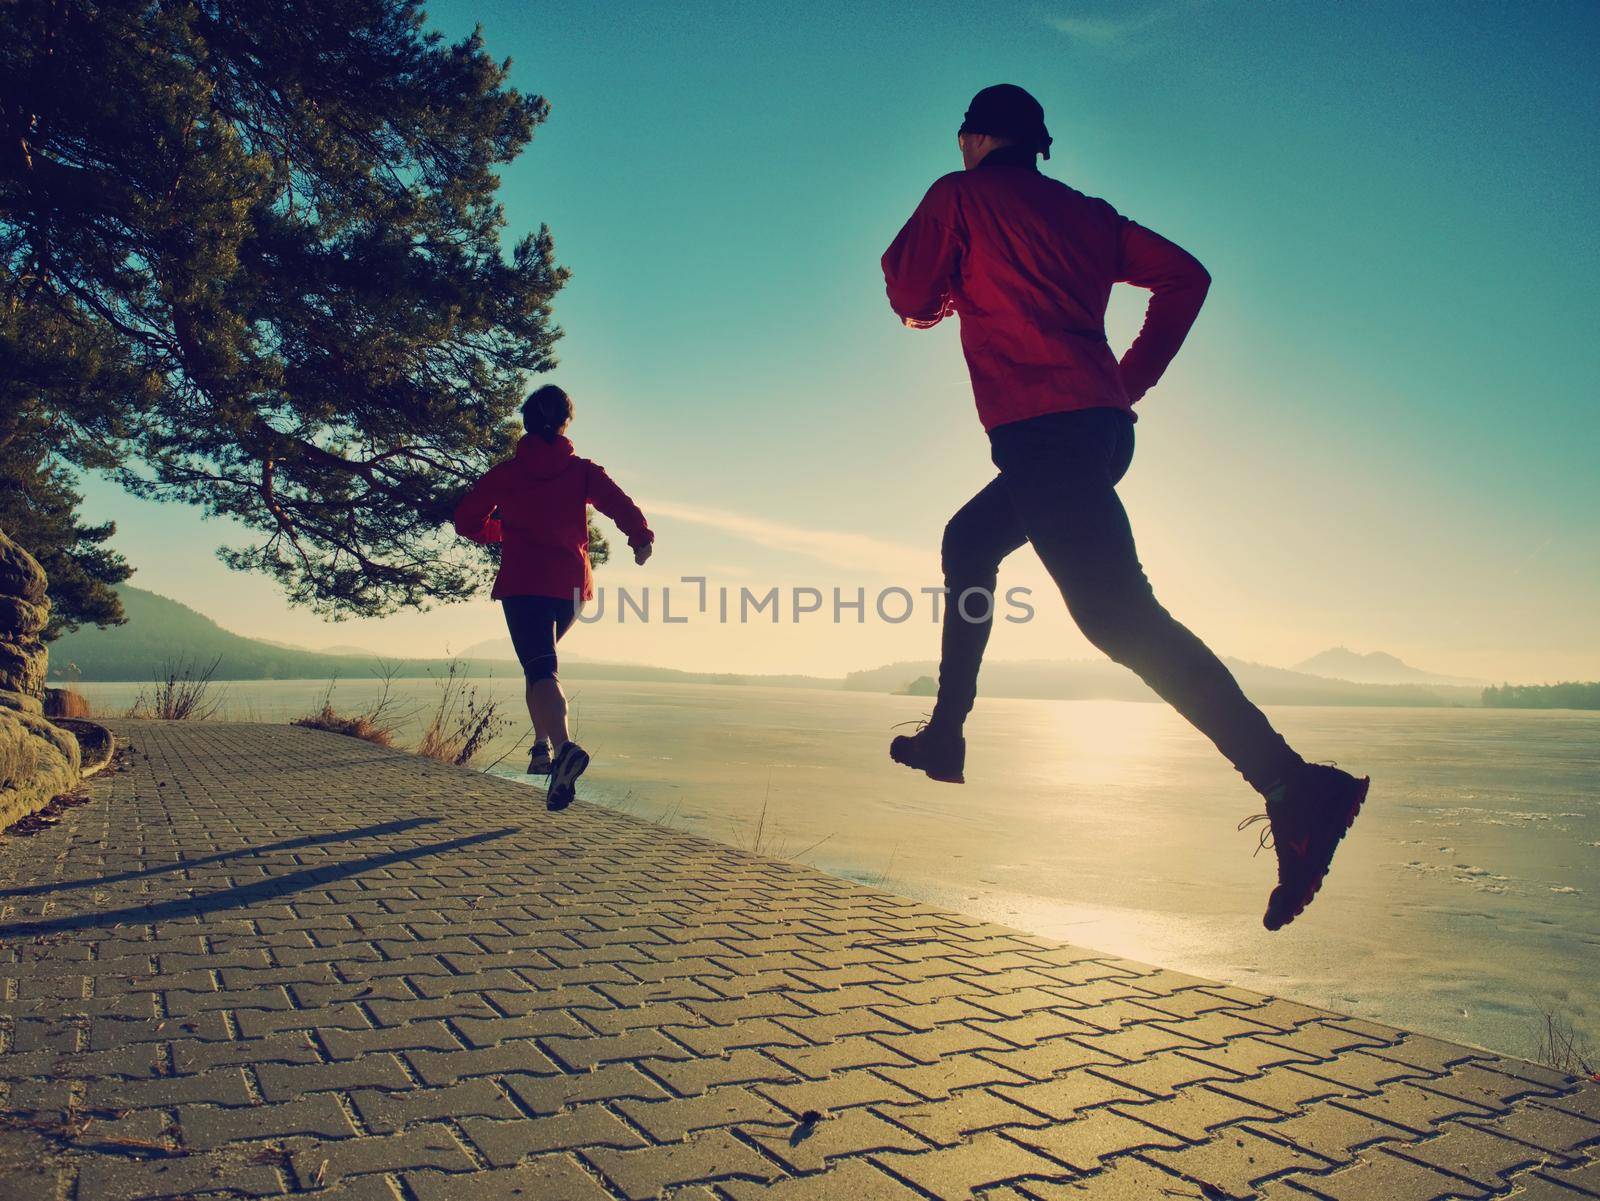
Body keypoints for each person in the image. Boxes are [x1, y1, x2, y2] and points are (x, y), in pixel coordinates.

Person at [881, 84, 1368, 931]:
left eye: (962, 137)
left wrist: (956, 287)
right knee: (970, 543)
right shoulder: (1087, 213)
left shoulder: (959, 195)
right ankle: (948, 731)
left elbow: (910, 294)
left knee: (1121, 622)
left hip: (1047, 435)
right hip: (1095, 433)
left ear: (974, 137)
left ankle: (1295, 786)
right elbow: (1187, 276)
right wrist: (1126, 381)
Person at [454, 384, 653, 811]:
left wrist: (498, 531)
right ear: (565, 424)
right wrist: (640, 539)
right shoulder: (581, 471)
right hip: (571, 589)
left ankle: (563, 749)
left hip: (525, 585)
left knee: (541, 668)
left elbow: (467, 518)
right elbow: (621, 505)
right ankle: (541, 750)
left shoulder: (507, 474)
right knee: (539, 664)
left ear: (525, 422)